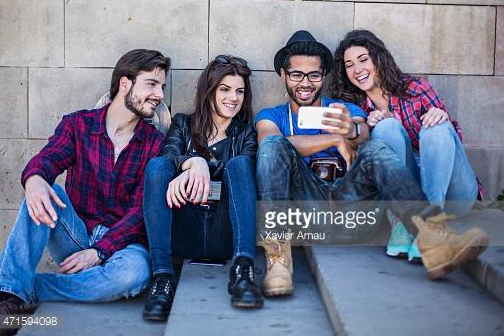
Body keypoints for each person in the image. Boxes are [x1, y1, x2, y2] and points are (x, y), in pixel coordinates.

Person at [255, 30, 489, 297]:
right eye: (297, 74)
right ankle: (278, 264)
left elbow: (363, 132)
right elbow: (268, 141)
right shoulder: (270, 115)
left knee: (375, 146)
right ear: (283, 76)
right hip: (308, 215)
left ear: (324, 76)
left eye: (314, 75)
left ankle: (434, 239)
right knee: (274, 146)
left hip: (353, 211)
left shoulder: (345, 108)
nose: (305, 83)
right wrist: (335, 139)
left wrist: (352, 132)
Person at [0, 49, 169, 327]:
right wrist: (35, 179)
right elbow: (49, 158)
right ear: (125, 83)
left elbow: (141, 211)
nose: (160, 94)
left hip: (123, 245)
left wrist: (99, 251)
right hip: (76, 235)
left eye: (162, 86)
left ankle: (26, 290)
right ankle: (6, 297)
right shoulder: (78, 125)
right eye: (152, 83)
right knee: (42, 191)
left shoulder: (155, 144)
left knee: (135, 274)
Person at [330, 29, 480, 261]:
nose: (357, 69)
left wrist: (440, 117)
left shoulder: (416, 89)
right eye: (349, 65)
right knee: (386, 128)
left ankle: (431, 225)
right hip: (406, 198)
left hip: (452, 192)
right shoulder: (359, 109)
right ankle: (401, 225)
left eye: (363, 60)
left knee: (437, 125)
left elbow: (451, 144)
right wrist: (370, 129)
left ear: (378, 58)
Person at [142, 54, 263, 321]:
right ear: (209, 91)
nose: (233, 97)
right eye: (225, 89)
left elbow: (244, 179)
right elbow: (168, 155)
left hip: (227, 233)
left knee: (242, 164)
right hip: (185, 229)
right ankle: (161, 280)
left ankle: (243, 270)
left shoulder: (246, 133)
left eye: (240, 91)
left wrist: (201, 172)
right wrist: (193, 161)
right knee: (157, 167)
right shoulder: (183, 124)